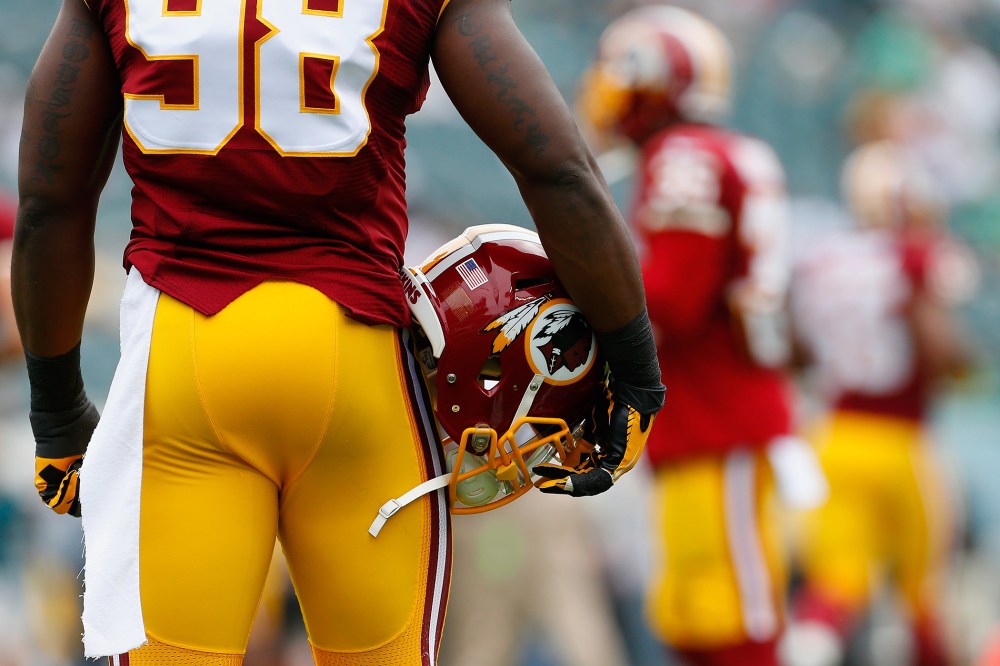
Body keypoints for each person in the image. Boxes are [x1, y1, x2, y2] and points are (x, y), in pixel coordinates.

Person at [12, 0, 665, 664]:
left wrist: (58, 415)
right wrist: (636, 368)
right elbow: (557, 169)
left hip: (185, 357)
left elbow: (48, 202)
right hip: (354, 362)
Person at [577, 6, 819, 666]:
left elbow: (673, 299)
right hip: (708, 415)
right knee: (691, 615)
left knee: (734, 616)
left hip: (721, 416)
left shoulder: (684, 156)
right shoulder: (703, 151)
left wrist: (588, 283)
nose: (605, 91)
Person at [787, 140, 977, 666]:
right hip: (900, 441)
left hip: (831, 440)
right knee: (922, 593)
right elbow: (939, 350)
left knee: (836, 584)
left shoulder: (821, 259)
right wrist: (964, 362)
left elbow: (797, 349)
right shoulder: (910, 256)